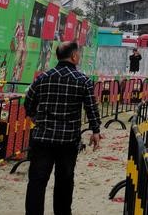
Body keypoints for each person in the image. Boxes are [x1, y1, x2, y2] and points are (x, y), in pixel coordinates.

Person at [24, 41, 101, 215]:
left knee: (37, 182)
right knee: (64, 182)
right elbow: (91, 108)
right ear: (74, 56)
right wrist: (95, 131)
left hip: (42, 139)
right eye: (78, 54)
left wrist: (37, 118)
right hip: (68, 141)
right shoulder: (83, 81)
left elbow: (28, 102)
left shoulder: (43, 78)